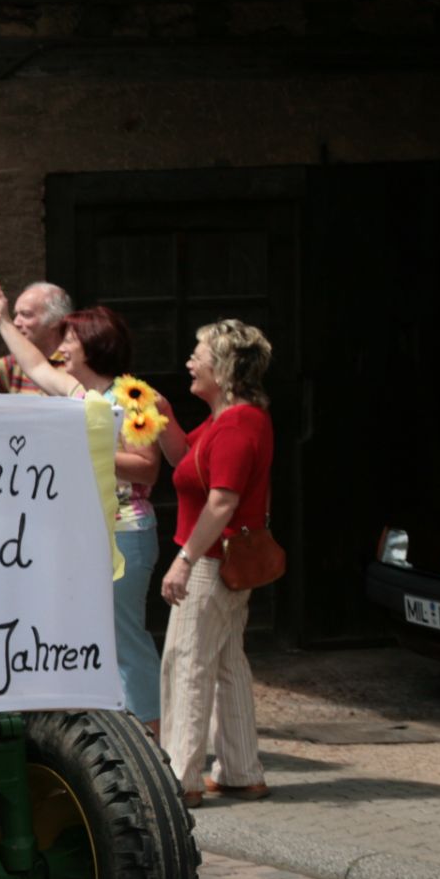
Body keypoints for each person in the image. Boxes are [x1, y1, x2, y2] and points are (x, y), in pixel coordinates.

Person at [0, 282, 164, 732]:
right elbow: (33, 365)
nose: (63, 348)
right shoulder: (78, 393)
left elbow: (147, 469)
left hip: (126, 534)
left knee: (124, 639)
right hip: (87, 535)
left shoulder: (135, 398)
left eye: (71, 340)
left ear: (94, 347)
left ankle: (153, 741)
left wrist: (84, 447)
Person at [155, 319, 275, 808]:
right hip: (222, 561)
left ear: (222, 367)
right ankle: (241, 770)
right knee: (227, 663)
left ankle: (178, 778)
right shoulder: (228, 420)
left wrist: (182, 561)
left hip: (209, 561)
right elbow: (184, 457)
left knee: (185, 662)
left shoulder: (237, 425)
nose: (189, 361)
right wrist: (161, 416)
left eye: (198, 353)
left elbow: (222, 504)